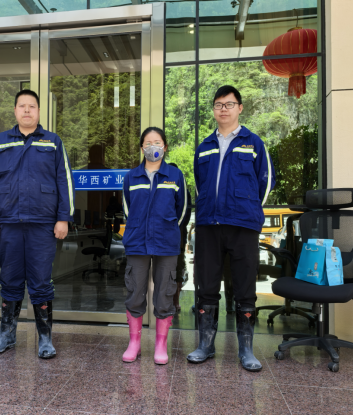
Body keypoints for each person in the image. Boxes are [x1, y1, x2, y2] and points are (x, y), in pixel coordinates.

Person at [187, 85, 275, 372]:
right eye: (218, 104)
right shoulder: (204, 146)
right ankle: (205, 344)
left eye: (228, 104)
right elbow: (200, 184)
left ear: (239, 108)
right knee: (207, 285)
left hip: (243, 226)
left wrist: (248, 210)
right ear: (214, 110)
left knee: (244, 287)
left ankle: (246, 350)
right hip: (209, 225)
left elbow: (265, 183)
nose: (223, 109)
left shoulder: (254, 143)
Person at [0, 89, 74, 359]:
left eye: (31, 106)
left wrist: (63, 218)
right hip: (9, 222)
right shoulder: (1, 141)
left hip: (43, 223)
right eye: (21, 106)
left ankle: (45, 338)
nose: (26, 110)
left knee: (41, 281)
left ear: (38, 111)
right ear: (14, 111)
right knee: (9, 279)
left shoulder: (53, 141)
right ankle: (7, 335)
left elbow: (65, 181)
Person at [122, 127, 187, 365]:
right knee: (135, 291)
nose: (153, 147)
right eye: (148, 143)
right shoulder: (131, 177)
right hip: (137, 242)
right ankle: (134, 343)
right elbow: (127, 210)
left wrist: (168, 229)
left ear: (165, 147)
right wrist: (137, 229)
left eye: (157, 142)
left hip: (166, 243)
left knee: (165, 293)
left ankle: (161, 345)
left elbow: (182, 211)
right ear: (142, 148)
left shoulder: (175, 176)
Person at [168, 162, 192, 312]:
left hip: (178, 237)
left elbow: (186, 215)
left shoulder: (184, 191)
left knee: (177, 269)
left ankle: (175, 300)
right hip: (163, 238)